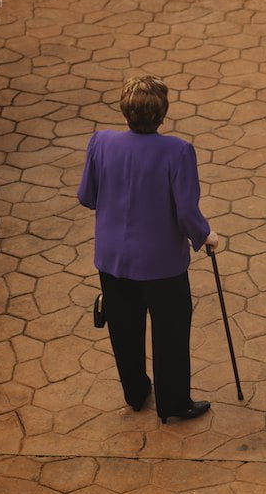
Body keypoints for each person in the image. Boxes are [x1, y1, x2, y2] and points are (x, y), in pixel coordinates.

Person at [77, 75, 219, 424]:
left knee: (124, 329)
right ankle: (173, 404)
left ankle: (136, 393)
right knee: (170, 333)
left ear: (125, 111)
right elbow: (186, 211)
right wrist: (206, 236)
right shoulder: (178, 151)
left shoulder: (101, 142)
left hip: (112, 259)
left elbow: (87, 196)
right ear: (162, 113)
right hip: (162, 264)